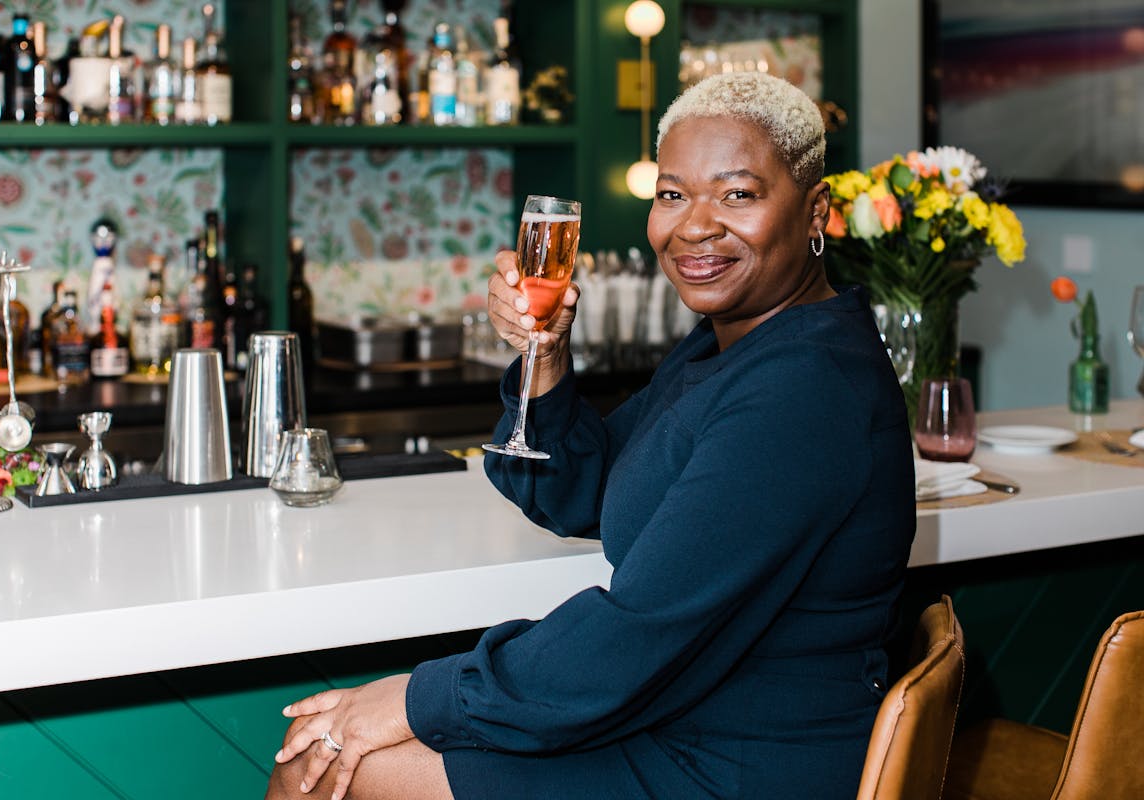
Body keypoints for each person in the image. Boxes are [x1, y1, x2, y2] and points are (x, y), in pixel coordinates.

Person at [267, 71, 915, 800]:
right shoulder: (727, 350)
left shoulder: (803, 387)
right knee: (321, 758)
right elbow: (581, 490)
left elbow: (643, 631)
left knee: (319, 769)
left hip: (741, 760)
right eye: (672, 194)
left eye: (738, 193)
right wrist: (544, 350)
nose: (694, 225)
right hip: (682, 713)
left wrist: (420, 698)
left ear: (816, 211)